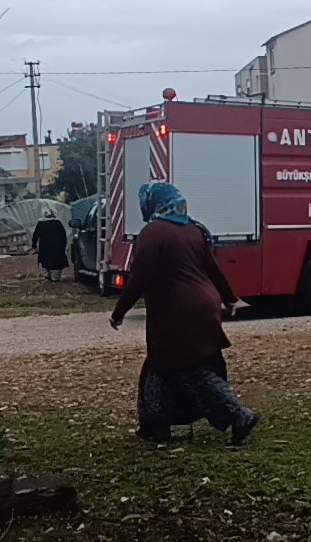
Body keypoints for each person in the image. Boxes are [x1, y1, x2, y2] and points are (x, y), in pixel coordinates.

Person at [109, 182, 259, 446]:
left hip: (178, 311)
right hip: (202, 305)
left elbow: (140, 277)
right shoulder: (193, 228)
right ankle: (154, 423)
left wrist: (119, 312)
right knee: (159, 365)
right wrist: (228, 297)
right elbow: (212, 268)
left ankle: (238, 415)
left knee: (191, 370)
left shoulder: (153, 232)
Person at [31, 210, 69, 282]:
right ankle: (55, 278)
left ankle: (47, 276)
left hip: (44, 248)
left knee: (45, 262)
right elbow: (63, 236)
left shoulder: (41, 223)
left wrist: (34, 245)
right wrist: (63, 246)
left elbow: (35, 235)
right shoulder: (58, 223)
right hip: (57, 248)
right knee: (56, 263)